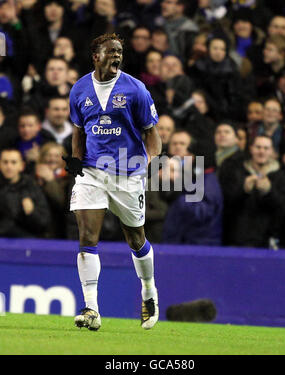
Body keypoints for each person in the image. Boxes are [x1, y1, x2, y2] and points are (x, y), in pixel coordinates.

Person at [64, 33, 161, 331]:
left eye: (120, 52)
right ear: (96, 56)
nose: (117, 56)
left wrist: (149, 162)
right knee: (87, 238)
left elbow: (151, 134)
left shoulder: (136, 90)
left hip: (128, 174)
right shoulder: (79, 89)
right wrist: (76, 161)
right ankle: (91, 308)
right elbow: (78, 131)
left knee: (135, 238)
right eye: (111, 52)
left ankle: (148, 291)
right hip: (92, 172)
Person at [219, 135, 285, 247]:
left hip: (266, 241)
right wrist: (244, 191)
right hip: (236, 239)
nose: (261, 152)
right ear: (251, 149)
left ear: (272, 151)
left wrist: (269, 191)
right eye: (258, 147)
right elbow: (225, 202)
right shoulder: (236, 171)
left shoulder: (281, 176)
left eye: (266, 148)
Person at [0, 148, 50, 238]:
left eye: (13, 162)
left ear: (22, 166)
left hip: (28, 241)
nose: (9, 166)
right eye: (5, 162)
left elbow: (44, 222)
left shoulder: (32, 186)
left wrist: (32, 212)